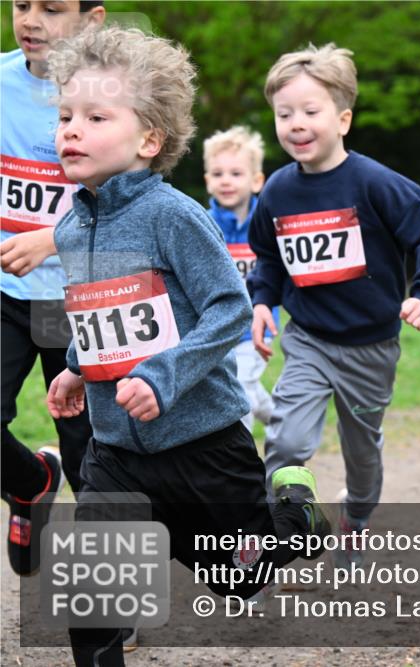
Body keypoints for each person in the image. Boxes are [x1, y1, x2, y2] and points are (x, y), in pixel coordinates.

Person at [43, 27, 329, 665]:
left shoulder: (174, 216)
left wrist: (164, 377)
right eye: (65, 116)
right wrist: (72, 369)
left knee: (242, 578)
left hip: (202, 446)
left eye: (94, 117)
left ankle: (295, 513)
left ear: (149, 139)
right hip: (115, 451)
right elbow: (100, 316)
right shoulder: (69, 228)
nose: (72, 130)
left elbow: (229, 308)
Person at [247, 43, 420, 565]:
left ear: (342, 119)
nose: (296, 124)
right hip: (310, 340)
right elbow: (267, 255)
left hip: (370, 348)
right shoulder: (276, 191)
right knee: (287, 439)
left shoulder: (374, 183)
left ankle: (356, 516)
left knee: (362, 453)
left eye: (310, 112)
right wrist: (264, 302)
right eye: (284, 114)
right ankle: (292, 523)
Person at [0, 0, 106, 575]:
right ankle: (30, 483)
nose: (30, 20)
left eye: (52, 7)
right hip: (6, 295)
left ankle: (112, 601)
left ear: (93, 18)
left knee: (94, 454)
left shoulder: (116, 96)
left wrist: (53, 238)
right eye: (20, 4)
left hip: (85, 301)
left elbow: (135, 207)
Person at [203, 126, 278, 430]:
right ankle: (282, 421)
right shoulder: (202, 225)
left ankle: (241, 466)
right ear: (208, 181)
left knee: (239, 394)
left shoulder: (268, 224)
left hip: (257, 329)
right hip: (220, 328)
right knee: (245, 387)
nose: (226, 181)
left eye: (236, 173)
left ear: (256, 180)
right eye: (218, 173)